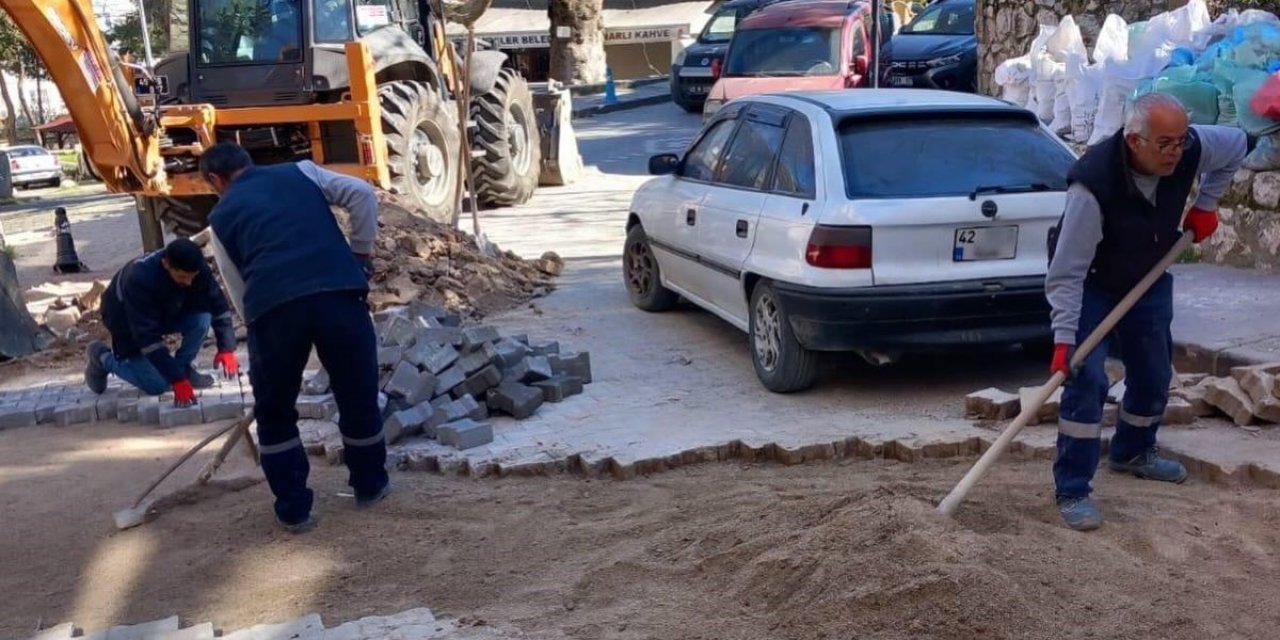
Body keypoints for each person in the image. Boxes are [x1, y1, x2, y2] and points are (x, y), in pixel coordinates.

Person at [1045, 92, 1247, 532]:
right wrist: (1065, 340)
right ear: (1135, 141)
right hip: (1093, 283)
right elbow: (1066, 273)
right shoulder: (1092, 186)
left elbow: (1236, 144)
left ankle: (1133, 450)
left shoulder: (1189, 147)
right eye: (1165, 144)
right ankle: (1073, 488)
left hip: (1149, 271)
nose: (1177, 152)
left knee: (1154, 371)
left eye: (1180, 141)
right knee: (1087, 376)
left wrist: (1207, 204)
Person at [199, 142, 388, 534]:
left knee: (275, 412)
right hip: (339, 294)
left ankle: (294, 510)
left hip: (274, 309)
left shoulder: (220, 218)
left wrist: (261, 330)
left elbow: (238, 288)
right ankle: (371, 486)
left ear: (216, 180)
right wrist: (361, 253)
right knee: (357, 394)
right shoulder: (300, 171)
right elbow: (361, 193)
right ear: (248, 162)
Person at [86, 238, 238, 404]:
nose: (189, 283)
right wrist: (176, 380)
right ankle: (102, 357)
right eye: (182, 276)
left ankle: (182, 368)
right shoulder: (140, 279)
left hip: (165, 311)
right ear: (166, 264)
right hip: (127, 323)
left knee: (202, 318)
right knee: (157, 386)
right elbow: (148, 339)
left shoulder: (197, 268)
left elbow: (218, 305)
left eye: (192, 277)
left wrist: (226, 347)